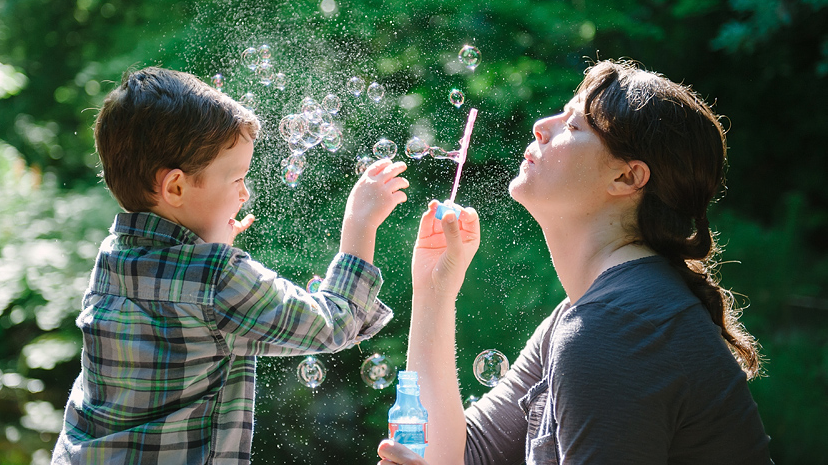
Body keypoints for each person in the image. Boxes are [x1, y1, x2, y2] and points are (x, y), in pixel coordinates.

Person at [378, 59, 772, 465]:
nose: (541, 126)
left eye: (572, 126)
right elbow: (459, 454)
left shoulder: (616, 326)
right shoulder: (589, 316)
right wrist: (434, 291)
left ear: (626, 178)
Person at [51, 66, 408, 465]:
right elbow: (334, 324)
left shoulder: (112, 256)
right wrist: (360, 223)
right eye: (236, 178)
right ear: (175, 188)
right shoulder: (218, 277)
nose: (245, 192)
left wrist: (207, 245)